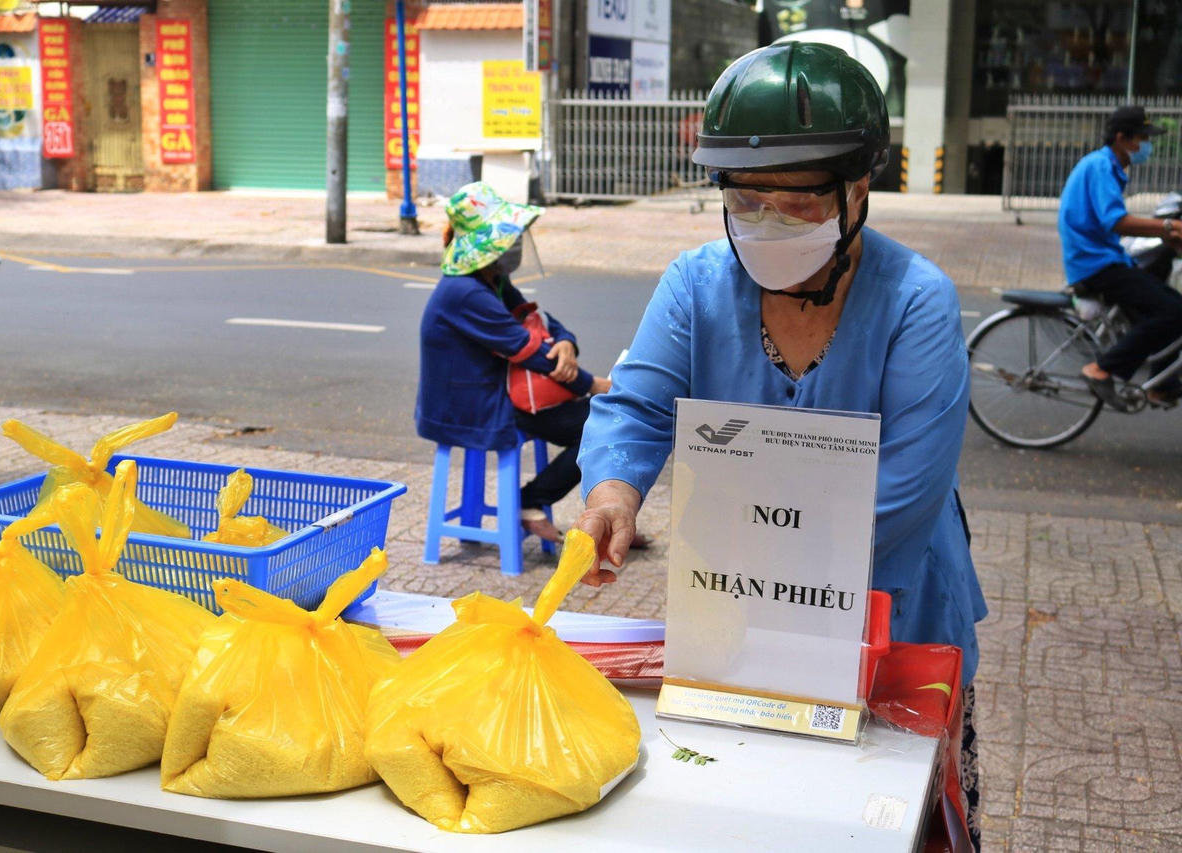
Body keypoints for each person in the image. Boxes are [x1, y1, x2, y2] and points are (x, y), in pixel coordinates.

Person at [573, 43, 987, 847]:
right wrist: (612, 491)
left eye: (794, 204)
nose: (764, 222)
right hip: (736, 603)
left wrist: (760, 586)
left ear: (858, 190)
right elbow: (637, 406)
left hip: (893, 606)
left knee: (889, 821)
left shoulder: (917, 302)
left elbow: (903, 493)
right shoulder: (695, 284)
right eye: (744, 200)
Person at [415, 181, 611, 544]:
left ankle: (568, 508)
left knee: (601, 422)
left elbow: (541, 321)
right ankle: (530, 501)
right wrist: (595, 386)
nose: (516, 244)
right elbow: (533, 352)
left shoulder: (494, 282)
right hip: (473, 407)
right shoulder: (465, 293)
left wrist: (566, 342)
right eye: (509, 237)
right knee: (603, 424)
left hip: (500, 392)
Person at [1058, 104, 1182, 410]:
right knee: (1173, 311)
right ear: (1121, 138)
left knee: (1164, 304)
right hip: (1095, 265)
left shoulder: (1108, 166)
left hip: (1105, 259)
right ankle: (1100, 369)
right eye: (1142, 138)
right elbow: (1115, 221)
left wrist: (1167, 235)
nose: (1146, 145)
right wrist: (1167, 226)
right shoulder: (1100, 166)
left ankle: (1161, 386)